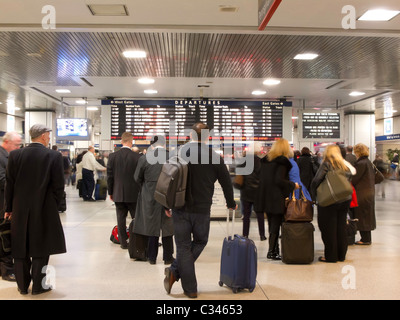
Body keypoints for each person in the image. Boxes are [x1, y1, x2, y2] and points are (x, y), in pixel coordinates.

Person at [164, 123, 237, 299]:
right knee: (201, 241)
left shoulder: (177, 153)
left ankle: (180, 277)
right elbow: (226, 182)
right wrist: (230, 202)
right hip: (202, 208)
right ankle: (184, 282)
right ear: (207, 137)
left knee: (182, 246)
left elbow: (166, 180)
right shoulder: (214, 157)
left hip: (180, 207)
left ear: (190, 135)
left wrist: (166, 204)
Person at [4, 124, 66, 295]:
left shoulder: (15, 155)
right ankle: (39, 286)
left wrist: (9, 208)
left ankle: (22, 285)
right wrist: (54, 204)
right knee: (41, 247)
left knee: (20, 247)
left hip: (20, 208)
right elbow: (58, 186)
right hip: (44, 208)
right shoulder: (53, 156)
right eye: (48, 134)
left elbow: (10, 184)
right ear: (44, 136)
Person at [254, 138, 299, 260]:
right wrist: (292, 185)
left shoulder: (265, 161)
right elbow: (279, 180)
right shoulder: (282, 161)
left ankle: (274, 249)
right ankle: (272, 252)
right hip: (276, 196)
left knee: (271, 223)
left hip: (265, 196)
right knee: (276, 224)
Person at [133, 135, 174, 264]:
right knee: (168, 226)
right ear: (164, 144)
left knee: (152, 226)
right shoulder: (172, 157)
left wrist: (146, 188)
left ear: (151, 145)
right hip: (167, 195)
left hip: (150, 196)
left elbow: (136, 178)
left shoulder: (144, 158)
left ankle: (152, 257)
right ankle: (168, 257)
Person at [310, 144, 353, 263]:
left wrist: (313, 195)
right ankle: (341, 255)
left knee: (328, 228)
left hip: (329, 200)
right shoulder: (344, 164)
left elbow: (316, 180)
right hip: (345, 199)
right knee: (341, 227)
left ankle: (331, 256)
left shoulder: (327, 163)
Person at [107, 132, 141, 249]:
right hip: (134, 193)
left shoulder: (112, 156)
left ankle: (123, 242)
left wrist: (111, 192)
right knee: (136, 218)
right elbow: (139, 177)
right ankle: (136, 240)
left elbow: (110, 176)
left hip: (118, 192)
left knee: (120, 217)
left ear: (121, 141)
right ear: (132, 142)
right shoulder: (137, 157)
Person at [0, 132, 22, 282]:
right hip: (2, 205)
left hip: (6, 203)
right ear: (6, 142)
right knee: (4, 238)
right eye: (16, 145)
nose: (18, 147)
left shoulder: (8, 156)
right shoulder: (1, 156)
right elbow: (3, 179)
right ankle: (7, 270)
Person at [234, 143, 266, 241]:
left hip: (246, 192)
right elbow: (264, 177)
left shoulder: (243, 162)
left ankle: (245, 234)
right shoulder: (261, 162)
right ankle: (262, 235)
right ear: (257, 151)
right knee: (260, 214)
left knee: (246, 215)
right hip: (258, 192)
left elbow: (238, 173)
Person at [352, 143, 376, 245]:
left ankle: (365, 239)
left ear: (358, 152)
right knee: (367, 215)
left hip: (362, 193)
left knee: (363, 215)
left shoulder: (361, 163)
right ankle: (366, 238)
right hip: (369, 192)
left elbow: (354, 179)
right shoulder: (368, 162)